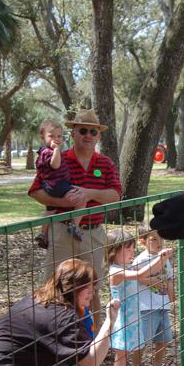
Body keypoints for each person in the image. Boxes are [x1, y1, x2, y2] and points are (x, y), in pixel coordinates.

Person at [29, 108, 122, 329]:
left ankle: (93, 340)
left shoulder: (106, 163)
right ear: (73, 133)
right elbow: (35, 190)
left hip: (95, 234)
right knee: (53, 287)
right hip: (61, 232)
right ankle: (50, 341)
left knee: (93, 289)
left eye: (93, 131)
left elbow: (116, 195)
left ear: (99, 136)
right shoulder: (56, 159)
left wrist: (88, 193)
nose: (87, 135)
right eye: (82, 130)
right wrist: (63, 203)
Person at [105, 228, 173, 366]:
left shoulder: (126, 266)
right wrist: (161, 258)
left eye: (132, 249)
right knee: (121, 358)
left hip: (132, 318)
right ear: (114, 251)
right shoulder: (116, 271)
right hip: (123, 321)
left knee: (125, 355)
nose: (132, 253)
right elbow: (142, 274)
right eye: (127, 250)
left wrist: (161, 259)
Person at [130, 222, 175, 366]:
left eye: (161, 239)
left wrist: (171, 291)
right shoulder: (140, 260)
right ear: (143, 241)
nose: (159, 243)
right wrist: (152, 281)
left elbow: (169, 277)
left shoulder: (164, 257)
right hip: (146, 306)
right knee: (144, 339)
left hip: (162, 304)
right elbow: (135, 279)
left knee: (163, 338)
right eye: (154, 239)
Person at [34, 119, 85, 249]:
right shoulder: (49, 152)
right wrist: (57, 150)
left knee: (51, 209)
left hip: (49, 185)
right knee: (81, 199)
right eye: (51, 136)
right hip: (58, 184)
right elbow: (55, 164)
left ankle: (43, 233)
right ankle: (74, 224)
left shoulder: (42, 152)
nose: (56, 139)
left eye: (58, 136)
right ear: (42, 137)